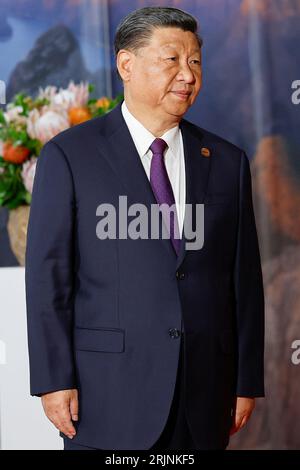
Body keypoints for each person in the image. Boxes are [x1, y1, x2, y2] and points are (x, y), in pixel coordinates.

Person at [25, 6, 265, 450]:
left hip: (204, 393)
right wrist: (53, 379)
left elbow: (243, 282)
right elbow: (48, 278)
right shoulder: (69, 155)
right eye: (171, 59)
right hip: (106, 395)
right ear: (126, 65)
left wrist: (246, 380)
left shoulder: (227, 161)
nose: (187, 75)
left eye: (195, 61)